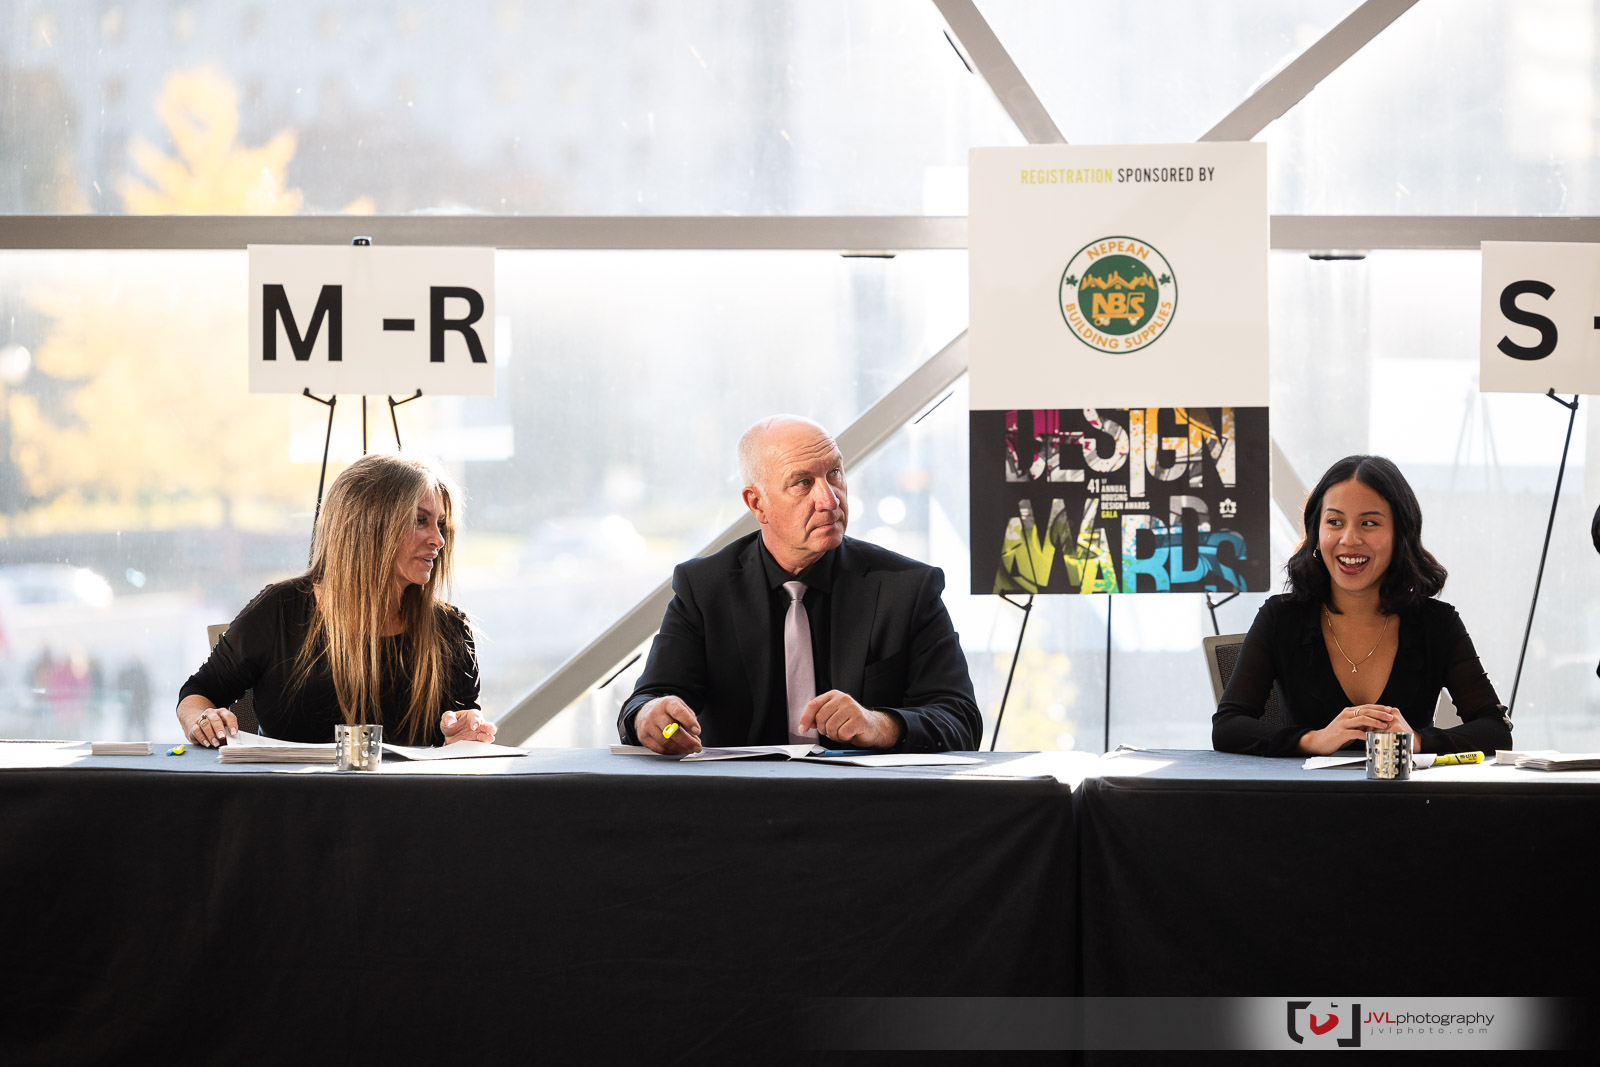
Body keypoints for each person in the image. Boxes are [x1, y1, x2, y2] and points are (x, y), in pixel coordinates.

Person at [620, 415, 981, 754]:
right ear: (757, 504)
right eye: (803, 483)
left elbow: (960, 720)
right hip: (739, 796)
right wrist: (650, 717)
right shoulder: (704, 588)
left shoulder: (907, 588)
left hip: (864, 796)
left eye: (834, 473)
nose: (830, 499)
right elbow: (648, 701)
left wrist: (879, 725)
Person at [177, 452, 495, 748]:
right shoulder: (280, 610)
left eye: (441, 524)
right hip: (292, 791)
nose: (438, 539)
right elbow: (197, 693)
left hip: (407, 793)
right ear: (365, 525)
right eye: (419, 520)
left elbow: (463, 729)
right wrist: (201, 720)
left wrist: (463, 736)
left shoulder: (451, 630)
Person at [1214, 454, 1511, 757]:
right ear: (1316, 532)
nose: (1349, 539)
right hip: (1307, 788)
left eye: (1369, 523)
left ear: (1400, 533)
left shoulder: (1438, 623)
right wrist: (1315, 740)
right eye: (1334, 522)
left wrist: (1416, 742)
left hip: (1404, 788)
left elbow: (1495, 730)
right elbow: (1228, 726)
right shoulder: (1280, 617)